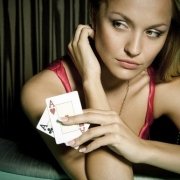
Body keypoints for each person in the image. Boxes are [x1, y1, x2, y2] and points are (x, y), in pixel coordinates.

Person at [21, 0, 180, 179]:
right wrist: (91, 81)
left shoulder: (164, 86)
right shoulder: (46, 93)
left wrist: (141, 149)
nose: (134, 49)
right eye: (119, 24)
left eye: (153, 32)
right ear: (94, 16)